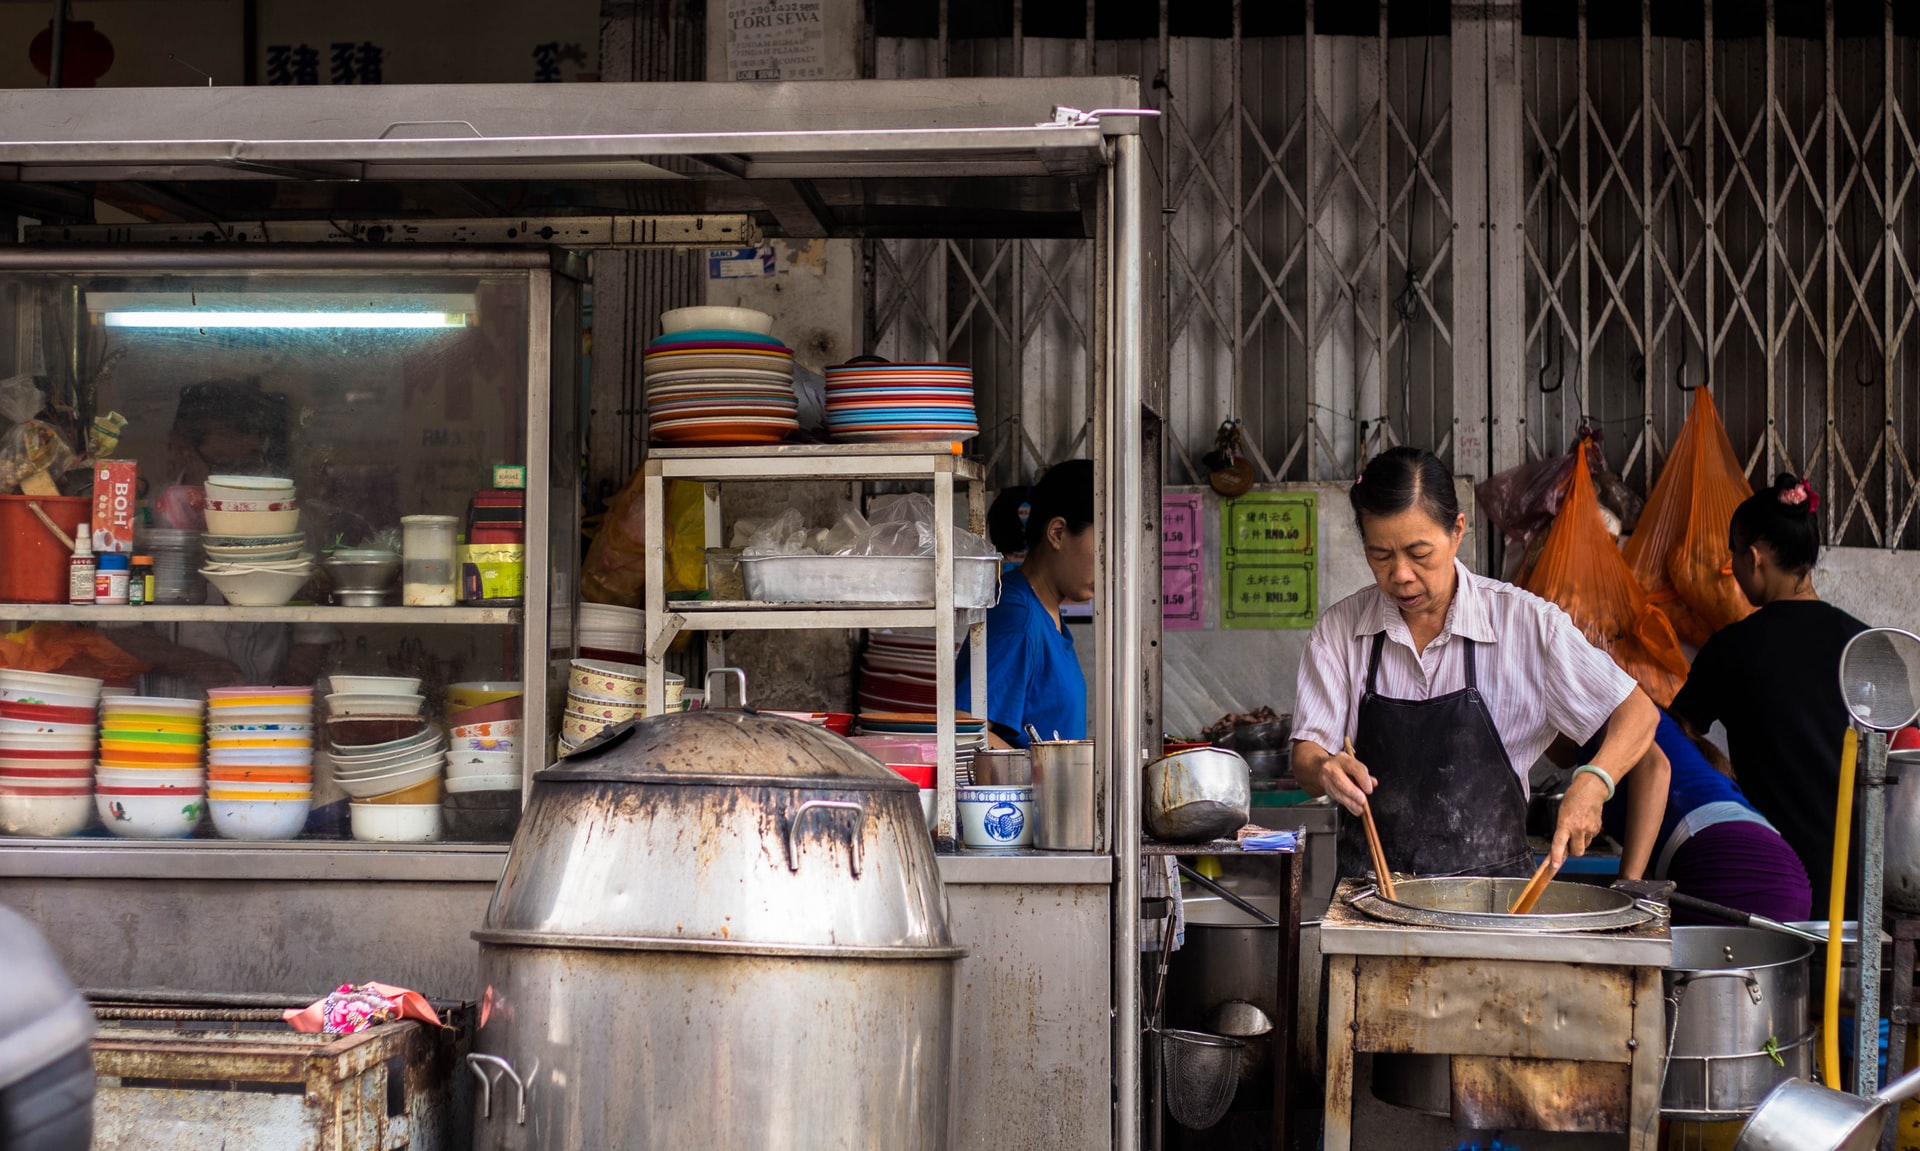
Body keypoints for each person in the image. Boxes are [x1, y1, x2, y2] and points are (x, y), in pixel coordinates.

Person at [1292, 447, 1659, 879]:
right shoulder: (1341, 631)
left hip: (1492, 906)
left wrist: (1596, 780)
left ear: (1457, 531)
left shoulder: (1526, 625)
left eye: (1419, 553)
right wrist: (1324, 768)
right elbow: (1307, 754)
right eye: (1381, 555)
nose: (1401, 574)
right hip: (1372, 901)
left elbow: (1637, 713)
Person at [1670, 474, 1869, 918]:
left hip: (1772, 881)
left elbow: (1675, 734)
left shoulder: (1733, 647)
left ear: (1754, 558)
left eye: (1734, 553)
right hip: (1861, 887)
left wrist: (1718, 771)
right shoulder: (1863, 644)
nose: (1734, 567)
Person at [1589, 709, 1812, 921]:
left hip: (1727, 864)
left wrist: (1626, 887)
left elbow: (1655, 767)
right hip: (1786, 872)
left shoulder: (1608, 708)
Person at [957, 460, 1094, 749]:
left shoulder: (1046, 614)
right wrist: (1048, 773)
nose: (1112, 565)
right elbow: (962, 733)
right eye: (1104, 545)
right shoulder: (1018, 619)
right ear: (1057, 533)